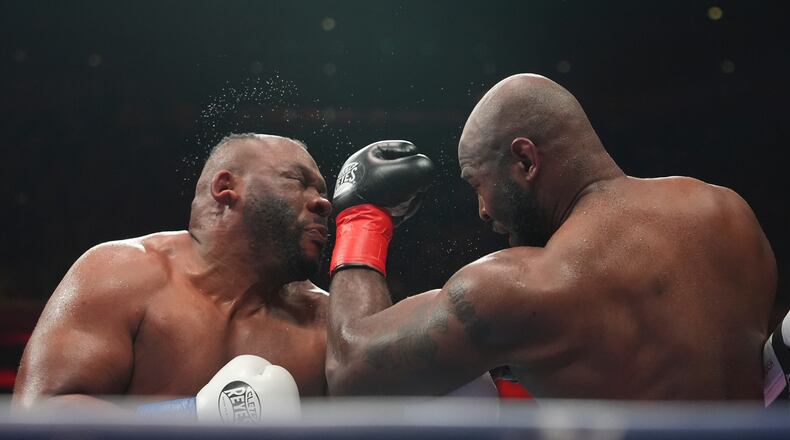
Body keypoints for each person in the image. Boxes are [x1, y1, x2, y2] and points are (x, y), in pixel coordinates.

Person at [325, 74, 777, 399]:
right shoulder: (728, 213)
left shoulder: (517, 287)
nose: (482, 210)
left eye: (477, 183)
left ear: (525, 161)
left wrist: (362, 219)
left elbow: (351, 370)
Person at [14, 134, 333, 409]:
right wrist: (191, 417)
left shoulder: (324, 321)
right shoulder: (123, 274)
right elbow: (43, 414)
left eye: (322, 191)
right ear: (226, 187)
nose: (322, 203)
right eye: (299, 182)